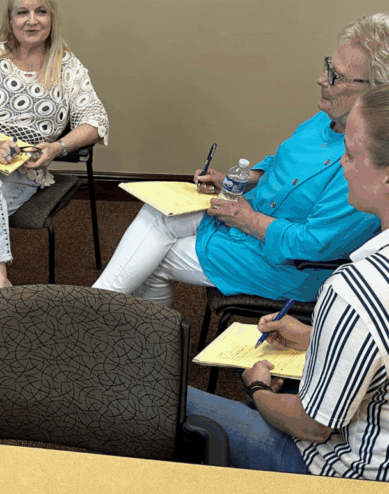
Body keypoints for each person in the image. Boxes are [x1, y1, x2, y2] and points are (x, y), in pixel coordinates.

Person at [93, 15, 389, 307]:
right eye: (328, 66)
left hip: (289, 265)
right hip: (250, 217)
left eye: (335, 76)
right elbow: (282, 160)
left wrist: (247, 220)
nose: (321, 79)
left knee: (151, 261)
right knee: (158, 215)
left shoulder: (366, 163)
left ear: (375, 92)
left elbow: (314, 245)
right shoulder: (327, 119)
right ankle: (94, 310)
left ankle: (94, 315)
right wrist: (245, 180)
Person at [187, 84, 389, 478]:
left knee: (169, 399)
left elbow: (311, 426)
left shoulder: (354, 290)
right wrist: (318, 337)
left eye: (350, 154)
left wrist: (257, 388)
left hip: (348, 475)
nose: (341, 164)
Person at [0, 0, 109, 345]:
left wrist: (57, 148)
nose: (31, 20)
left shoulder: (67, 66)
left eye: (40, 11)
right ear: (10, 18)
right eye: (22, 12)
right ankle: (1, 286)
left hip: (22, 166)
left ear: (52, 18)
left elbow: (96, 121)